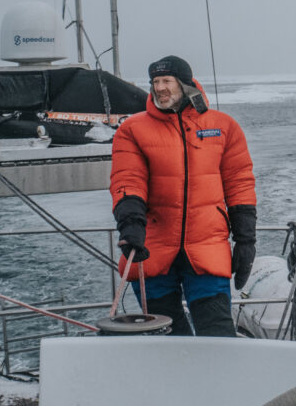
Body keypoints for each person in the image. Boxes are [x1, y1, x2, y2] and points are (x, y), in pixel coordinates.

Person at [110, 55, 258, 336]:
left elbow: (239, 183)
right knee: (167, 338)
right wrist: (131, 227)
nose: (160, 88)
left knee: (217, 334)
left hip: (206, 249)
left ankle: (217, 379)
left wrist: (245, 241)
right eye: (155, 82)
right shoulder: (133, 130)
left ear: (186, 84)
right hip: (152, 248)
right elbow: (127, 180)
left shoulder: (224, 127)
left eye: (167, 81)